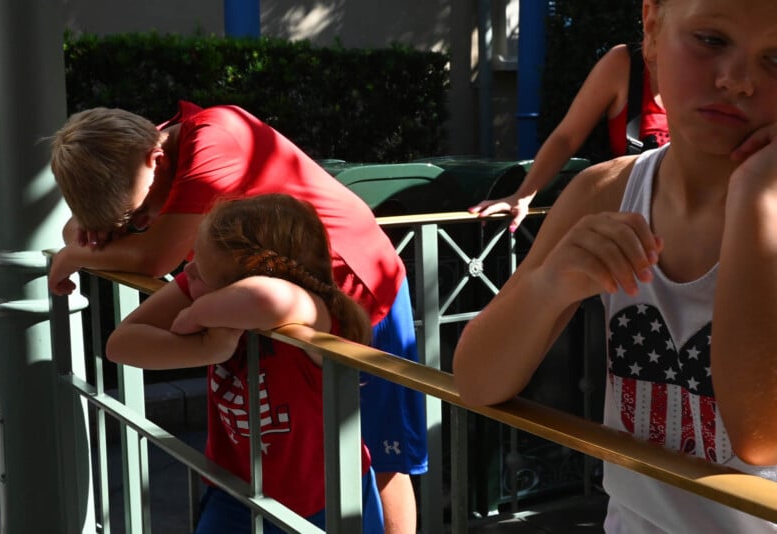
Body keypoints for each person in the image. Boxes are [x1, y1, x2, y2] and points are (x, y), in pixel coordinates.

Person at [453, 0, 777, 531]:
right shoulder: (605, 191)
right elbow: (476, 380)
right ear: (651, 27)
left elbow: (760, 435)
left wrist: (756, 202)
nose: (739, 81)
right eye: (712, 40)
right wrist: (549, 285)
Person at [48, 101, 426, 534]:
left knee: (380, 454)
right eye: (132, 224)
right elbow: (95, 233)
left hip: (355, 290)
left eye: (138, 217)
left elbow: (156, 257)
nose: (144, 224)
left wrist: (77, 253)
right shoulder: (141, 159)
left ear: (155, 160)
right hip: (262, 314)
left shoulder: (214, 140)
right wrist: (90, 230)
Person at [106, 194, 384, 533]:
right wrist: (208, 351)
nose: (186, 269)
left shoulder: (313, 310)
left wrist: (194, 314)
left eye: (200, 268)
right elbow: (120, 345)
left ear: (243, 279)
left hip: (327, 502)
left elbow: (264, 297)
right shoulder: (208, 279)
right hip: (236, 491)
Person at [469, 40, 670, 232]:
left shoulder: (700, 73)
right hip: (634, 229)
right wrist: (523, 195)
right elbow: (566, 138)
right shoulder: (624, 64)